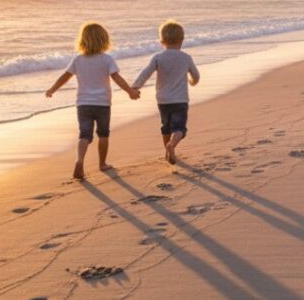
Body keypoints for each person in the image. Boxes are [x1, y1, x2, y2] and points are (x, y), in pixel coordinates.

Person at [46, 22, 140, 180]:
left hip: (83, 104)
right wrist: (130, 91)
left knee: (84, 135)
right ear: (104, 40)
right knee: (103, 134)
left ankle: (80, 160)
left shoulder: (78, 60)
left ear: (82, 40)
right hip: (102, 104)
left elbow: (65, 76)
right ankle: (102, 163)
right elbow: (117, 78)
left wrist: (52, 89)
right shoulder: (107, 59)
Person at [132, 20, 200, 165]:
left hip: (163, 100)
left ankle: (167, 151)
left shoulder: (158, 58)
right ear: (182, 40)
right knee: (179, 128)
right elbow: (196, 76)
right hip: (180, 100)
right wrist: (192, 82)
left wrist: (136, 87)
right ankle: (172, 145)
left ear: (162, 41)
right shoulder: (186, 58)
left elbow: (145, 73)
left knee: (166, 126)